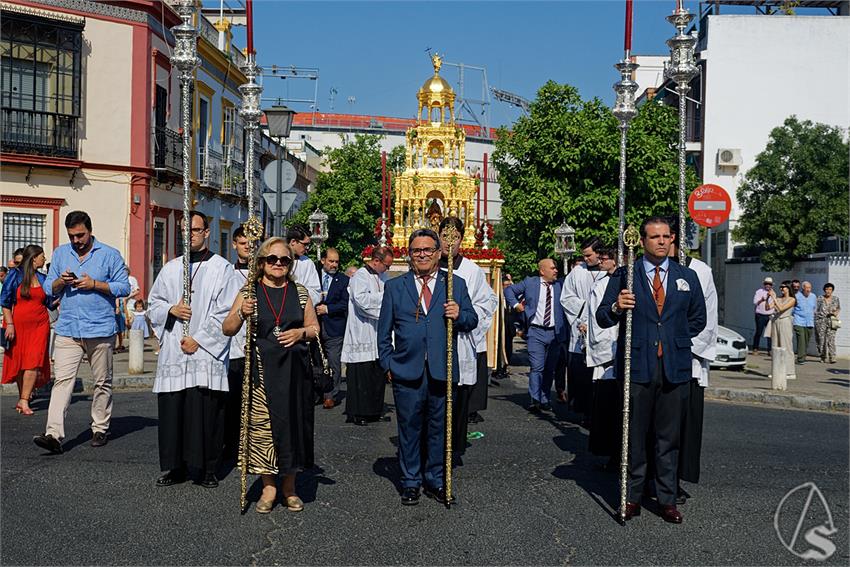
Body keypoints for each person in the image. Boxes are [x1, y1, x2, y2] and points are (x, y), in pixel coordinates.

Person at [596, 216, 706, 524]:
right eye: (654, 236)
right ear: (642, 242)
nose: (661, 241)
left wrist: (674, 339)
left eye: (666, 236)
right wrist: (618, 306)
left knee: (668, 438)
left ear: (672, 239)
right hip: (637, 366)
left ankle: (667, 499)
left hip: (674, 367)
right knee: (634, 436)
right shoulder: (624, 276)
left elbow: (698, 318)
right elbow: (603, 317)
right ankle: (631, 496)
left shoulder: (688, 277)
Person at [378, 228, 477, 506]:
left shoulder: (454, 284)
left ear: (438, 253)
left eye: (427, 250)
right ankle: (410, 481)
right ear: (408, 255)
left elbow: (472, 319)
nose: (422, 255)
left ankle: (435, 478)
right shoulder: (395, 287)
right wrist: (388, 363)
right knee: (408, 429)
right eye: (416, 250)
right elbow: (383, 332)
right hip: (406, 370)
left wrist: (459, 314)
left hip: (441, 369)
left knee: (439, 428)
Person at [222, 237, 319, 513]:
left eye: (284, 260)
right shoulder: (249, 292)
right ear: (262, 262)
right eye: (273, 259)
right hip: (262, 373)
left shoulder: (300, 292)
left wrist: (300, 332)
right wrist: (241, 312)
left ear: (290, 264)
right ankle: (269, 487)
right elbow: (227, 328)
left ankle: (289, 487)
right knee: (264, 430)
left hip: (293, 373)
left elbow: (315, 329)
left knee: (292, 428)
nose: (278, 264)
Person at [147, 211, 240, 488]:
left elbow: (226, 311)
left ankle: (207, 468)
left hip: (204, 354)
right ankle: (175, 467)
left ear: (207, 232)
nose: (190, 235)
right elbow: (154, 305)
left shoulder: (222, 268)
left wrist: (198, 339)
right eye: (186, 231)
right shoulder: (171, 268)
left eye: (196, 230)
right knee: (175, 411)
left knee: (206, 412)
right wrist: (171, 309)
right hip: (175, 351)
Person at [32, 212, 130, 454]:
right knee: (62, 382)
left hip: (99, 328)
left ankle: (100, 427)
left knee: (102, 382)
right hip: (68, 328)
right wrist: (61, 282)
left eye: (80, 235)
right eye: (72, 236)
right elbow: (48, 287)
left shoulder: (109, 254)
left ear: (90, 230)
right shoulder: (61, 253)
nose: (76, 240)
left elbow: (123, 286)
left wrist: (94, 284)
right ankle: (53, 434)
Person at [667, 217, 717, 503]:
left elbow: (707, 319)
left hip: (688, 360)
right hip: (656, 357)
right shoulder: (650, 270)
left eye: (672, 236)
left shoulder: (700, 271)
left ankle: (673, 479)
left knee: (683, 425)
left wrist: (681, 347)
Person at [438, 217, 497, 450]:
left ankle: (454, 446)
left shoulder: (472, 270)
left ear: (462, 239)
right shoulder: (428, 265)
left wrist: (465, 315)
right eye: (444, 236)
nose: (449, 242)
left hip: (461, 341)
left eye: (455, 237)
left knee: (458, 400)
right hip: (433, 343)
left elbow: (487, 302)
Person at [504, 259, 567, 412]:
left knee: (549, 368)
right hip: (535, 332)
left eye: (556, 268)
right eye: (552, 268)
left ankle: (545, 399)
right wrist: (516, 305)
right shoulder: (530, 283)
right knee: (537, 367)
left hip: (555, 333)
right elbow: (509, 291)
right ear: (542, 271)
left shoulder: (560, 285)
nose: (556, 271)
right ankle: (535, 399)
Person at [341, 246, 394, 426]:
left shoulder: (383, 277)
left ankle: (374, 410)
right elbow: (362, 301)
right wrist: (383, 301)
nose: (387, 269)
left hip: (378, 331)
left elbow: (389, 298)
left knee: (376, 374)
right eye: (386, 265)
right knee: (361, 375)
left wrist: (384, 302)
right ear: (376, 261)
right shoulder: (360, 276)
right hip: (362, 331)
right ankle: (358, 412)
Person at [1, 245, 53, 415]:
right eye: (42, 256)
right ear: (34, 258)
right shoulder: (15, 275)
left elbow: (50, 302)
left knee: (33, 361)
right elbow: (5, 302)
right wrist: (9, 324)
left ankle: (24, 400)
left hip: (40, 325)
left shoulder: (43, 278)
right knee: (21, 363)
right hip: (19, 325)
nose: (44, 259)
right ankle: (22, 396)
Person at [560, 236, 607, 422]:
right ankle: (583, 410)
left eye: (589, 255)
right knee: (582, 376)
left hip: (602, 330)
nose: (585, 259)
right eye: (584, 255)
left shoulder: (609, 272)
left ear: (599, 253)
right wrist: (583, 314)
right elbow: (566, 298)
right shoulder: (577, 272)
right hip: (580, 329)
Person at [585, 244, 621, 467]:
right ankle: (610, 452)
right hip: (602, 348)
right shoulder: (600, 282)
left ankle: (616, 454)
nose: (601, 262)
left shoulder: (618, 282)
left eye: (605, 258)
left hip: (613, 348)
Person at [222, 225, 254, 461]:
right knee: (234, 403)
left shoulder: (263, 274)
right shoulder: (227, 274)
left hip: (258, 347)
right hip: (233, 349)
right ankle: (233, 448)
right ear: (234, 245)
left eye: (252, 243)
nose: (248, 247)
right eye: (244, 243)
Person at [316, 247, 349, 409]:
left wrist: (328, 309)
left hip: (334, 327)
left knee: (334, 362)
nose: (334, 265)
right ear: (323, 261)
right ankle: (316, 393)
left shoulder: (343, 280)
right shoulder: (313, 276)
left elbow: (345, 303)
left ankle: (331, 395)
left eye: (336, 261)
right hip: (313, 324)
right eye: (331, 261)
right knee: (317, 362)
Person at [770, 282, 797, 387]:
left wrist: (774, 298)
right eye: (780, 287)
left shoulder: (792, 299)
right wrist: (770, 298)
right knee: (775, 346)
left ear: (788, 288)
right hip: (776, 321)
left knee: (786, 346)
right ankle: (776, 370)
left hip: (785, 321)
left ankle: (790, 371)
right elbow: (769, 308)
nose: (782, 289)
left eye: (784, 287)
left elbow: (781, 308)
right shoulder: (779, 298)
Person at [286, 224, 321, 306]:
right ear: (293, 242)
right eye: (305, 244)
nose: (307, 248)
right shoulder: (276, 260)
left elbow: (316, 292)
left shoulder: (307, 263)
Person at [815, 283, 840, 364]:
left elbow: (838, 308)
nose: (828, 291)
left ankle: (832, 357)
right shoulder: (820, 298)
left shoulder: (836, 299)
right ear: (824, 290)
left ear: (832, 290)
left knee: (831, 339)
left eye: (830, 289)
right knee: (821, 339)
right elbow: (815, 309)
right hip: (821, 321)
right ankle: (823, 356)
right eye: (826, 289)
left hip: (831, 321)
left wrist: (836, 312)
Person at [792, 281, 817, 364]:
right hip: (799, 321)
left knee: (806, 340)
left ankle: (802, 355)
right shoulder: (797, 296)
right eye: (807, 288)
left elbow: (814, 308)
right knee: (801, 339)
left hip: (809, 322)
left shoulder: (813, 296)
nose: (808, 290)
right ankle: (800, 359)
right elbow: (792, 309)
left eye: (810, 288)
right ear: (803, 288)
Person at [751, 277, 774, 355]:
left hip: (769, 315)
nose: (768, 285)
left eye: (769, 284)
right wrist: (761, 300)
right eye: (766, 284)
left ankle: (770, 349)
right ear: (764, 284)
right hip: (760, 315)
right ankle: (755, 348)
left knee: (770, 333)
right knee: (759, 332)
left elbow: (773, 304)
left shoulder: (773, 293)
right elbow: (755, 302)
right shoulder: (759, 291)